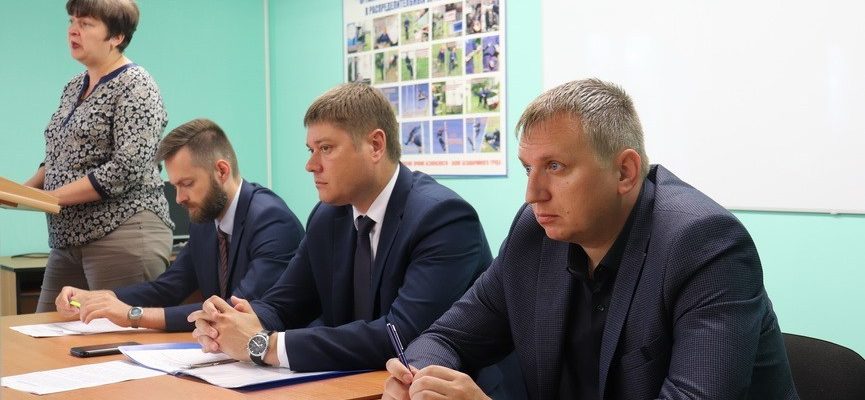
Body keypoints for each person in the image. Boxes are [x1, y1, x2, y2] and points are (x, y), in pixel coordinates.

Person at [383, 79, 797, 399]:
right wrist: (417, 381)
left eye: (555, 166)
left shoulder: (705, 246)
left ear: (624, 172)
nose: (532, 193)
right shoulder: (535, 234)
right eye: (528, 168)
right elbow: (445, 338)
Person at [187, 83, 496, 378]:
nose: (311, 165)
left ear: (375, 145)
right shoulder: (328, 216)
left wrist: (263, 345)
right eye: (310, 149)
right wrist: (232, 322)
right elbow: (285, 303)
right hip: (357, 381)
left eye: (326, 148)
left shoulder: (442, 218)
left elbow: (401, 335)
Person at [54, 118, 304, 332]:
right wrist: (102, 298)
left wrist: (133, 315)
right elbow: (169, 287)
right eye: (175, 186)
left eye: (187, 184)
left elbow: (234, 310)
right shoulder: (205, 220)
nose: (179, 198)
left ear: (221, 171)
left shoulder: (271, 220)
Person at [25, 0, 174, 312]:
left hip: (122, 233)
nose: (73, 30)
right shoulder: (73, 87)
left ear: (116, 36)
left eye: (86, 24)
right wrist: (21, 193)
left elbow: (126, 167)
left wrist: (52, 198)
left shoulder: (137, 85)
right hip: (68, 239)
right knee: (42, 331)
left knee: (118, 337)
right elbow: (59, 156)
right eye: (71, 21)